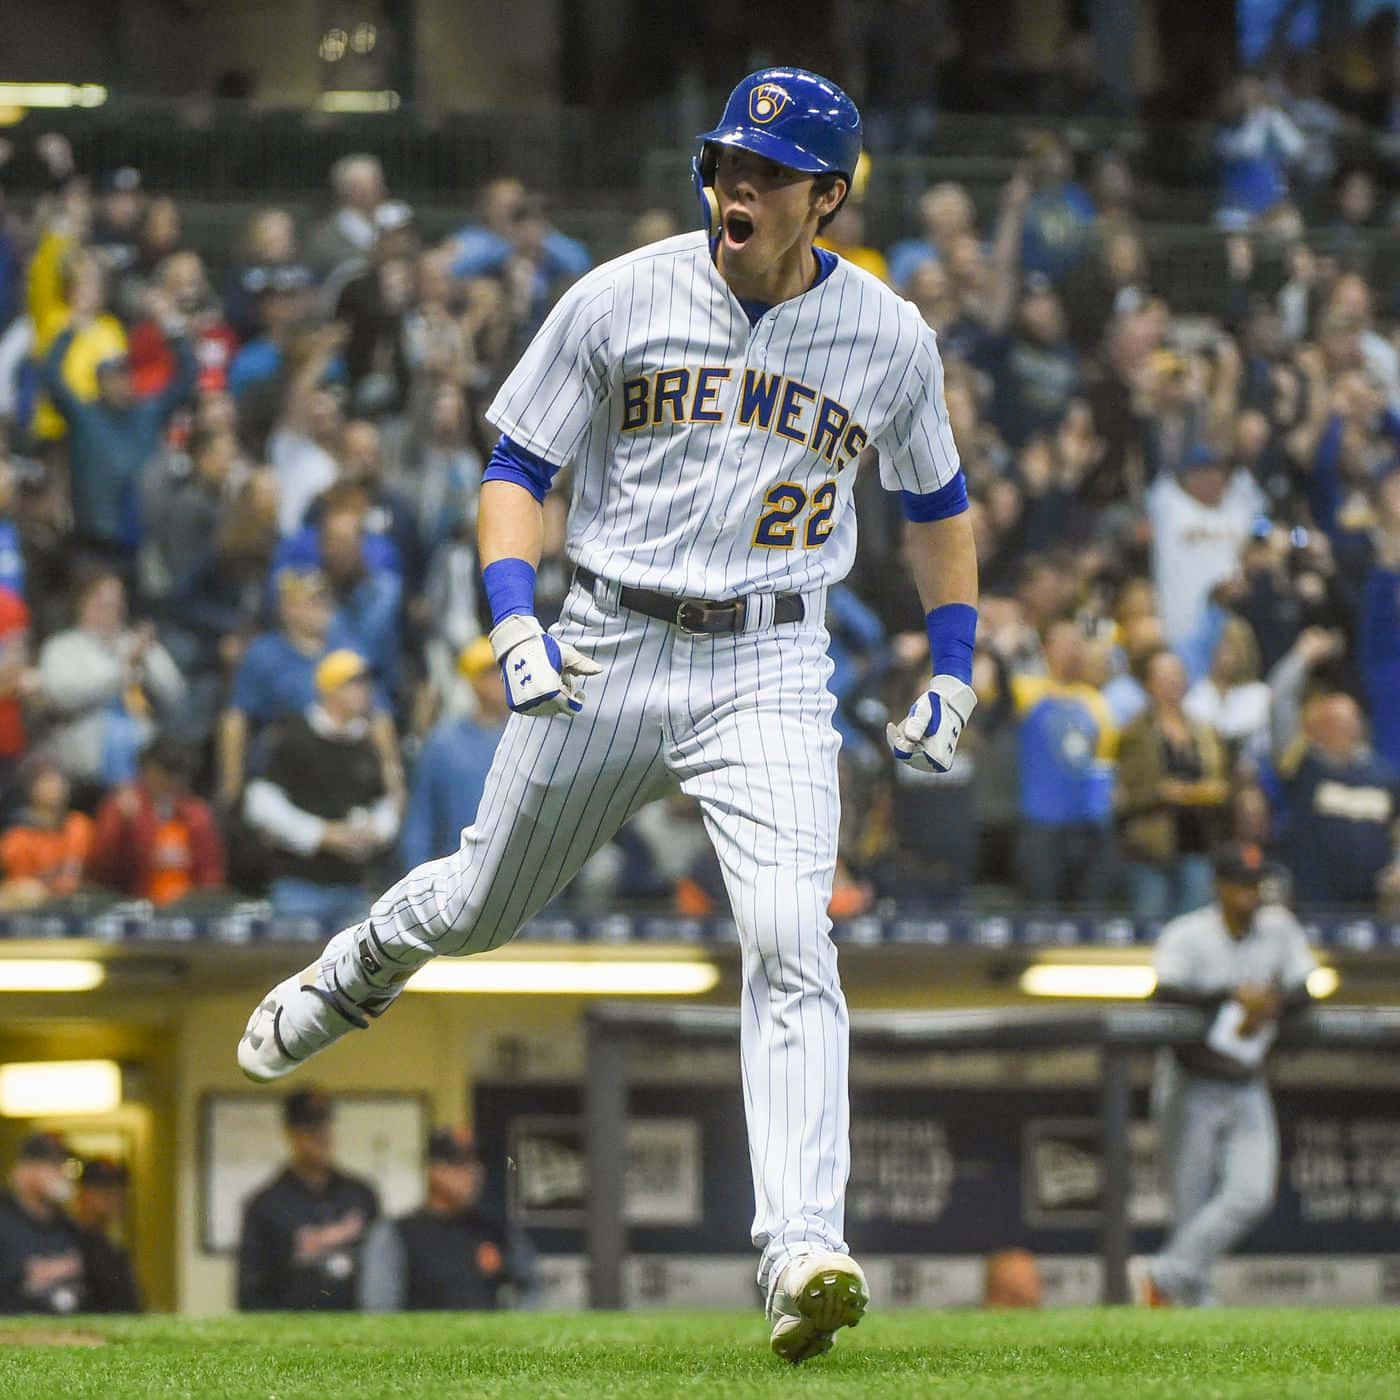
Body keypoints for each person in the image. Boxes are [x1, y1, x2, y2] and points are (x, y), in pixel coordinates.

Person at [239, 67, 979, 1364]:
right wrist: (512, 619)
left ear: (827, 198)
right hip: (609, 639)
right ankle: (365, 961)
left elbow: (936, 505)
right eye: (728, 163)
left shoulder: (889, 336)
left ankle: (801, 1247)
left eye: (767, 174)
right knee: (481, 906)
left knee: (788, 931)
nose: (737, 186)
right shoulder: (619, 295)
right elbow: (517, 465)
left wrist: (956, 664)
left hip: (770, 661)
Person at [1144, 843, 1317, 1306]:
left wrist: (1271, 1003)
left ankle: (1166, 1274)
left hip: (1245, 1080)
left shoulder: (1279, 928)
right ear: (1219, 885)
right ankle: (1196, 1305)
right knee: (1189, 1205)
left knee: (1252, 1193)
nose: (1250, 893)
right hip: (1191, 1081)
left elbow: (1307, 989)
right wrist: (1230, 996)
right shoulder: (1187, 934)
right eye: (1241, 884)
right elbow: (1163, 996)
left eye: (1255, 884)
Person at [243, 649, 400, 927]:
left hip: (353, 885)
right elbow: (261, 804)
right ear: (330, 690)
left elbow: (385, 803)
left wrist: (375, 829)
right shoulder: (294, 736)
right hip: (300, 885)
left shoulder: (366, 743)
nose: (364, 691)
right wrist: (322, 834)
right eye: (354, 683)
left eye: (365, 683)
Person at [360, 1126, 537, 1311]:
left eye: (477, 1162)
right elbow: (378, 1310)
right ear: (433, 1169)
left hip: (486, 1330)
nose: (473, 1171)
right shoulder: (396, 1232)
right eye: (460, 1162)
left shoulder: (496, 1228)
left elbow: (533, 1287)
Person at [236, 1088, 379, 1311]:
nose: (320, 1135)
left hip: (357, 1326)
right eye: (310, 1128)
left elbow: (382, 1273)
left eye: (325, 1125)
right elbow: (250, 1293)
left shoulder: (362, 1195)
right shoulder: (264, 1205)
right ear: (290, 1132)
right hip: (290, 1327)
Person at [1117, 648, 1229, 920]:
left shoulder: (1205, 732)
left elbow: (1221, 782)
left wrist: (1206, 792)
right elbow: (1128, 792)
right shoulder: (1134, 733)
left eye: (1177, 676)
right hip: (1151, 849)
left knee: (1196, 925)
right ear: (1149, 684)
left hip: (1199, 844)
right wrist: (1167, 792)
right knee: (1151, 925)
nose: (1173, 683)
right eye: (1165, 677)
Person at [398, 639, 508, 872]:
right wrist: (417, 875)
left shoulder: (530, 735)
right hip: (462, 871)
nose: (502, 678)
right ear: (474, 682)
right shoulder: (444, 743)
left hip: (525, 870)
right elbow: (421, 818)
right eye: (491, 672)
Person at [90, 736, 225, 904]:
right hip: (134, 907)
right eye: (166, 772)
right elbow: (102, 870)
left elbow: (210, 874)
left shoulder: (196, 814)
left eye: (177, 772)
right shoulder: (122, 807)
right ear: (147, 770)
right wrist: (125, 827)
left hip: (186, 909)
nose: (172, 781)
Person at [0, 1132, 86, 1315]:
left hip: (66, 1323)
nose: (60, 1172)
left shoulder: (67, 1225)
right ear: (24, 1169)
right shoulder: (4, 1218)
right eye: (51, 1164)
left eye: (63, 1164)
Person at [0, 759, 93, 908]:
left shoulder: (80, 826)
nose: (55, 786)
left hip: (79, 906)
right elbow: (16, 893)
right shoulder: (16, 840)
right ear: (31, 790)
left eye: (58, 780)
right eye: (47, 781)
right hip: (36, 912)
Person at [72, 1157, 142, 1313]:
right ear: (82, 1194)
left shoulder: (114, 1249)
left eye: (118, 1190)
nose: (114, 1197)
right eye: (104, 1190)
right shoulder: (68, 1243)